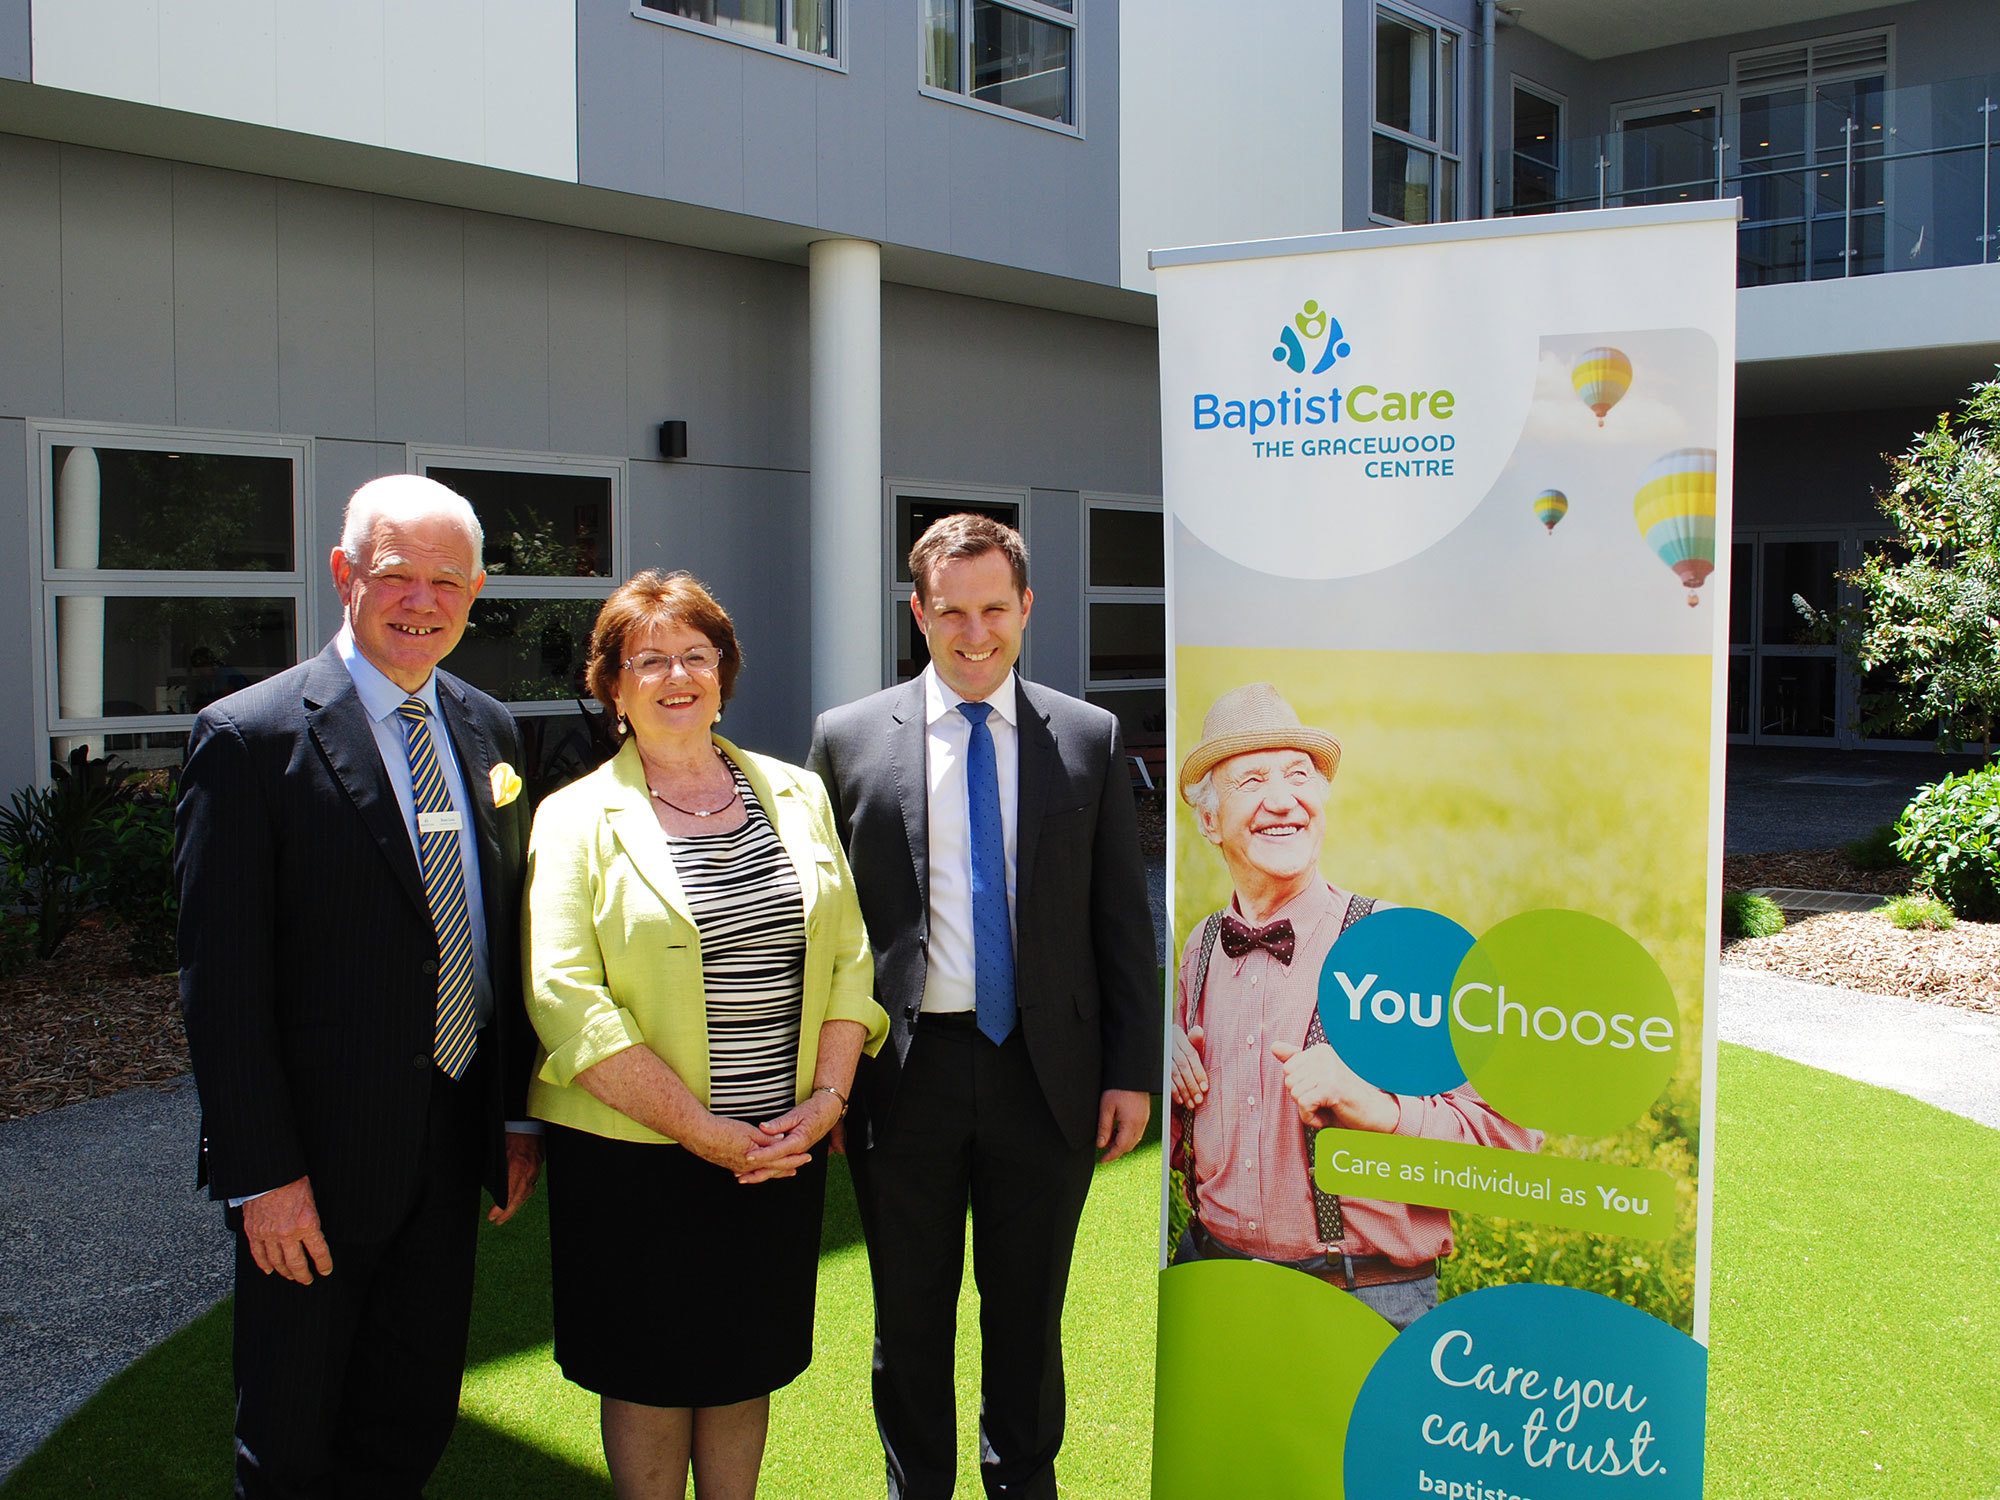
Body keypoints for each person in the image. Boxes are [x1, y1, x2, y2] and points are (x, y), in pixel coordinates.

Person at [177, 473, 543, 1498]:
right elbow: (222, 985)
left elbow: (503, 938)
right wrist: (263, 1176)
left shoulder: (490, 731)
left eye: (446, 581)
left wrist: (514, 1121)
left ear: (475, 592)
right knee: (292, 1439)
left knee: (407, 1418)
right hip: (313, 1169)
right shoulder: (249, 741)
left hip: (451, 1142)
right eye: (395, 576)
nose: (421, 602)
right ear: (345, 574)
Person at [807, 513, 1160, 1500]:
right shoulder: (846, 741)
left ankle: (1022, 1486)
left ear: (1025, 608)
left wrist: (1129, 1069)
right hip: (900, 1080)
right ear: (917, 612)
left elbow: (1120, 923)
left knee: (1025, 1315)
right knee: (907, 1318)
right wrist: (827, 1084)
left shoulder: (1083, 738)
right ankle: (914, 1486)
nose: (974, 633)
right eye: (950, 611)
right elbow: (826, 933)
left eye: (993, 609)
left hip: (1045, 1079)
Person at [523, 569, 886, 1500]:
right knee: (646, 1372)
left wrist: (826, 1102)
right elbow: (564, 994)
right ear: (612, 685)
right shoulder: (572, 816)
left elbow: (848, 955)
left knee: (742, 1363)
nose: (677, 676)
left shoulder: (798, 795)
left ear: (724, 674)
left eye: (697, 656)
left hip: (775, 1145)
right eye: (650, 660)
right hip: (636, 1157)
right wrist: (697, 1128)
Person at [1167, 682, 1541, 1331]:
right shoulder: (1200, 950)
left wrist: (1382, 1110)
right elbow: (1184, 1150)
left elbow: (1509, 1150)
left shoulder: (1395, 946)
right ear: (1208, 819)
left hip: (1361, 1302)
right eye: (1252, 780)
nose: (1282, 800)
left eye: (1298, 775)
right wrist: (1162, 1081)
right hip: (1210, 1282)